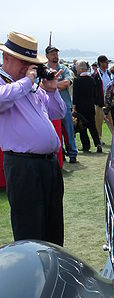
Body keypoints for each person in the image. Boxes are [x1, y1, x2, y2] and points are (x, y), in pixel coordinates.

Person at [0, 31, 66, 245]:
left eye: (32, 64)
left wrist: (53, 90)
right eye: (24, 62)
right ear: (6, 58)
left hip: (48, 165)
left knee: (53, 225)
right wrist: (28, 81)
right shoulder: (9, 84)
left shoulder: (31, 88)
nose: (29, 68)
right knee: (30, 228)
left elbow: (58, 113)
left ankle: (55, 270)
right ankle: (34, 275)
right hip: (23, 166)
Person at [46, 45, 78, 163]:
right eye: (52, 54)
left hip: (65, 105)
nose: (55, 56)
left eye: (56, 53)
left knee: (69, 131)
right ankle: (60, 153)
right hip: (49, 106)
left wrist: (51, 86)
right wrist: (57, 85)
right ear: (47, 56)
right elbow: (40, 86)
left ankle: (72, 153)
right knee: (53, 131)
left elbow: (67, 83)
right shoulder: (44, 69)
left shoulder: (64, 69)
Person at [72, 61, 102, 153]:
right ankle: (98, 144)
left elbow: (75, 96)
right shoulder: (92, 80)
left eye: (77, 68)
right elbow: (94, 94)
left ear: (81, 69)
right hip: (90, 106)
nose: (76, 70)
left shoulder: (77, 81)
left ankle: (86, 146)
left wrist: (74, 108)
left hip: (81, 108)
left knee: (82, 128)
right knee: (92, 126)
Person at [93, 54, 114, 142]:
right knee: (99, 121)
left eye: (107, 62)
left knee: (111, 120)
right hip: (99, 102)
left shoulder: (109, 73)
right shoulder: (96, 74)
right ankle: (99, 139)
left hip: (109, 101)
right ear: (100, 63)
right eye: (105, 62)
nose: (107, 64)